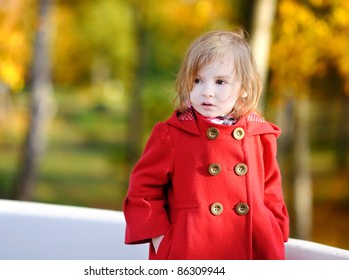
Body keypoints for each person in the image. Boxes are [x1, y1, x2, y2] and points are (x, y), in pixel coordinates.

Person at [123, 30, 289, 260]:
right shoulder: (172, 133)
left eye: (220, 81)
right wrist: (161, 240)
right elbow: (143, 191)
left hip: (255, 247)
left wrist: (276, 232)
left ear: (245, 89)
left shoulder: (260, 134)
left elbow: (272, 193)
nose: (206, 91)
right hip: (191, 251)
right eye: (197, 81)